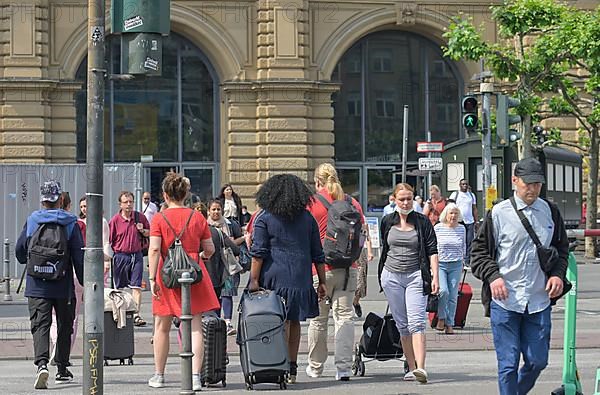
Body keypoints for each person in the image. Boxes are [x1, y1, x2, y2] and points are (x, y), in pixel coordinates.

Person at [471, 158, 568, 395]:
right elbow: (478, 253)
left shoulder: (550, 212)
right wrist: (493, 277)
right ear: (515, 181)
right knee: (508, 365)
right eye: (528, 183)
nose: (533, 189)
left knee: (538, 361)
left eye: (538, 184)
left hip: (538, 300)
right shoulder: (498, 213)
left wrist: (556, 275)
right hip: (505, 301)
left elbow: (562, 249)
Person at [249, 174, 327, 385]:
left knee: (278, 321)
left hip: (274, 276)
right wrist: (322, 282)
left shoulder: (264, 218)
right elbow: (317, 252)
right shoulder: (307, 218)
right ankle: (292, 368)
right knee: (294, 321)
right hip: (300, 277)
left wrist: (253, 280)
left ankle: (279, 365)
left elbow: (259, 252)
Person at [147, 172, 220, 390]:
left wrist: (152, 278)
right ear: (185, 194)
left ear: (165, 195)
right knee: (195, 325)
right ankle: (195, 376)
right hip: (193, 274)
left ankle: (159, 375)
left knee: (161, 326)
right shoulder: (197, 217)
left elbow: (154, 248)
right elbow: (210, 249)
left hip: (167, 273)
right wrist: (199, 258)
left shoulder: (159, 218)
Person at [15, 180, 84, 389]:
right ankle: (62, 368)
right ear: (60, 199)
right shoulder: (71, 222)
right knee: (65, 326)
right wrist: (84, 283)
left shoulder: (33, 220)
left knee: (40, 325)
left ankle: (42, 365)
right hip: (63, 285)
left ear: (42, 199)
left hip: (36, 285)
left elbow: (19, 253)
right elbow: (79, 258)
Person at [306, 163, 363, 382]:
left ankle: (315, 367)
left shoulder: (312, 203)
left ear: (317, 181)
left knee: (319, 319)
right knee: (345, 317)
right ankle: (343, 369)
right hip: (349, 268)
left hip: (320, 268)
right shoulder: (352, 202)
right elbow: (361, 234)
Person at [378, 182, 439, 384]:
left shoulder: (422, 221)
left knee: (416, 323)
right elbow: (384, 248)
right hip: (391, 277)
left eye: (409, 198)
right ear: (394, 200)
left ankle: (421, 368)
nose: (405, 202)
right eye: (402, 199)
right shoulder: (387, 221)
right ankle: (411, 367)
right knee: (403, 326)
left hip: (415, 276)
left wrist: (435, 277)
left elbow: (432, 249)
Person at [108, 191, 150, 326]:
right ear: (120, 204)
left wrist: (142, 230)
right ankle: (121, 312)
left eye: (131, 202)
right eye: (126, 202)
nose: (129, 204)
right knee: (119, 287)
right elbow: (109, 240)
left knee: (136, 286)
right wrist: (108, 260)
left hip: (136, 255)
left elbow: (151, 232)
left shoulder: (140, 217)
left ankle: (136, 314)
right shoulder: (115, 220)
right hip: (120, 256)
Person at [207, 198, 245, 335]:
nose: (216, 212)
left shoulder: (230, 224)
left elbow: (238, 244)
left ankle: (227, 322)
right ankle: (216, 321)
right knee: (215, 296)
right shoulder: (204, 227)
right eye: (213, 209)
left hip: (226, 267)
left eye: (218, 209)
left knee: (227, 294)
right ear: (208, 211)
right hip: (211, 267)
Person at [433, 203, 466, 334]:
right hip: (440, 264)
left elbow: (464, 245)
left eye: (455, 213)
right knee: (443, 292)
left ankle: (450, 323)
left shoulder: (462, 229)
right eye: (451, 213)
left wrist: (463, 261)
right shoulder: (438, 228)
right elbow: (433, 246)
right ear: (446, 214)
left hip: (456, 264)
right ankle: (441, 317)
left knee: (453, 295)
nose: (453, 216)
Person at [77, 196, 113, 286]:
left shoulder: (102, 221)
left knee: (100, 285)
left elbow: (105, 241)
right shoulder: (79, 222)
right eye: (81, 207)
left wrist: (106, 261)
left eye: (85, 206)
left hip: (98, 257)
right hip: (83, 258)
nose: (83, 209)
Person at [449, 179, 478, 266]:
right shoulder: (455, 194)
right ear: (460, 185)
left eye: (466, 184)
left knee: (469, 241)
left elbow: (474, 208)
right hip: (459, 221)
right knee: (458, 241)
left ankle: (467, 260)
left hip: (470, 221)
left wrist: (476, 221)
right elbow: (450, 207)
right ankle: (458, 259)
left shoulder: (471, 195)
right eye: (463, 184)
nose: (465, 186)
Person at [352, 218, 374, 318]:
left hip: (360, 253)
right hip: (347, 253)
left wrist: (369, 252)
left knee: (360, 282)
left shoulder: (362, 220)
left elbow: (367, 237)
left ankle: (356, 302)